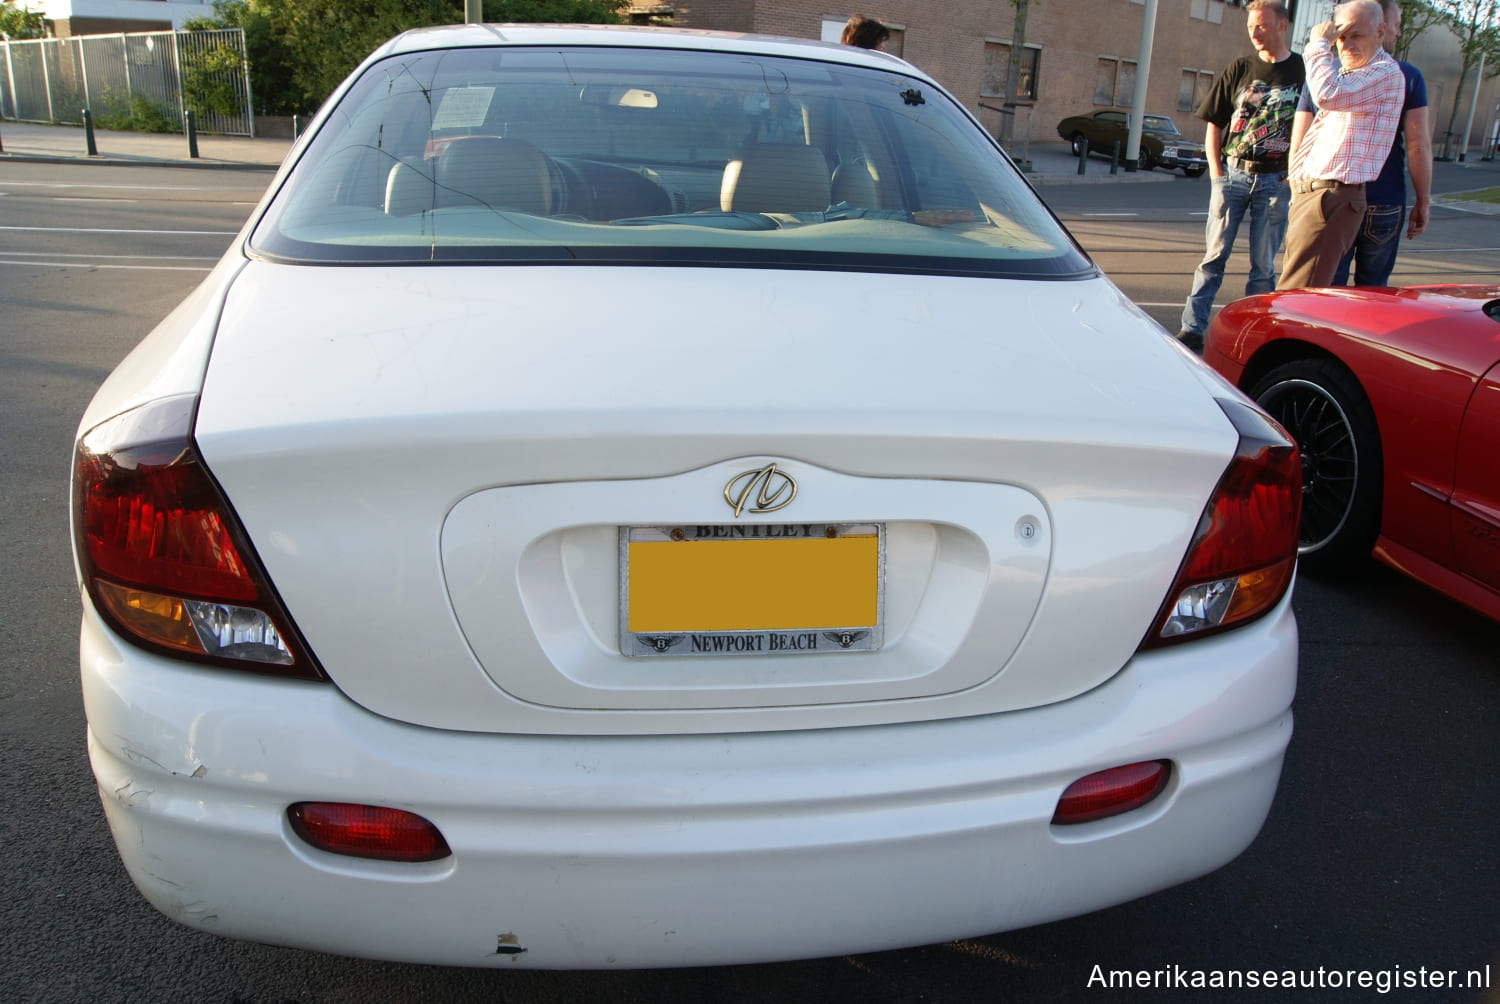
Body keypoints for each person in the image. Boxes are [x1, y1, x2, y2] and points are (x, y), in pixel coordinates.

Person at [1178, 0, 1304, 353]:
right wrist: (1217, 174)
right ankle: (1192, 329)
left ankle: (1254, 338)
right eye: (1251, 26)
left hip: (1275, 181)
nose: (1254, 32)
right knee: (1213, 258)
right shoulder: (1239, 68)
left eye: (1262, 25)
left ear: (1282, 25)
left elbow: (1312, 128)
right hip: (1234, 174)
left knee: (1263, 267)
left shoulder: (1301, 72)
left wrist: (1291, 175)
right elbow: (1214, 123)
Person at [1290, 0, 1430, 286]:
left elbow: (1327, 96)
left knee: (1314, 295)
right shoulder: (1340, 73)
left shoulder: (1384, 72)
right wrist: (1297, 184)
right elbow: (1306, 134)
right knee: (1311, 291)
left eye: (1357, 35)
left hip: (1339, 195)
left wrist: (1318, 43)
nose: (1346, 44)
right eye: (1341, 37)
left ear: (1381, 33)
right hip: (1323, 193)